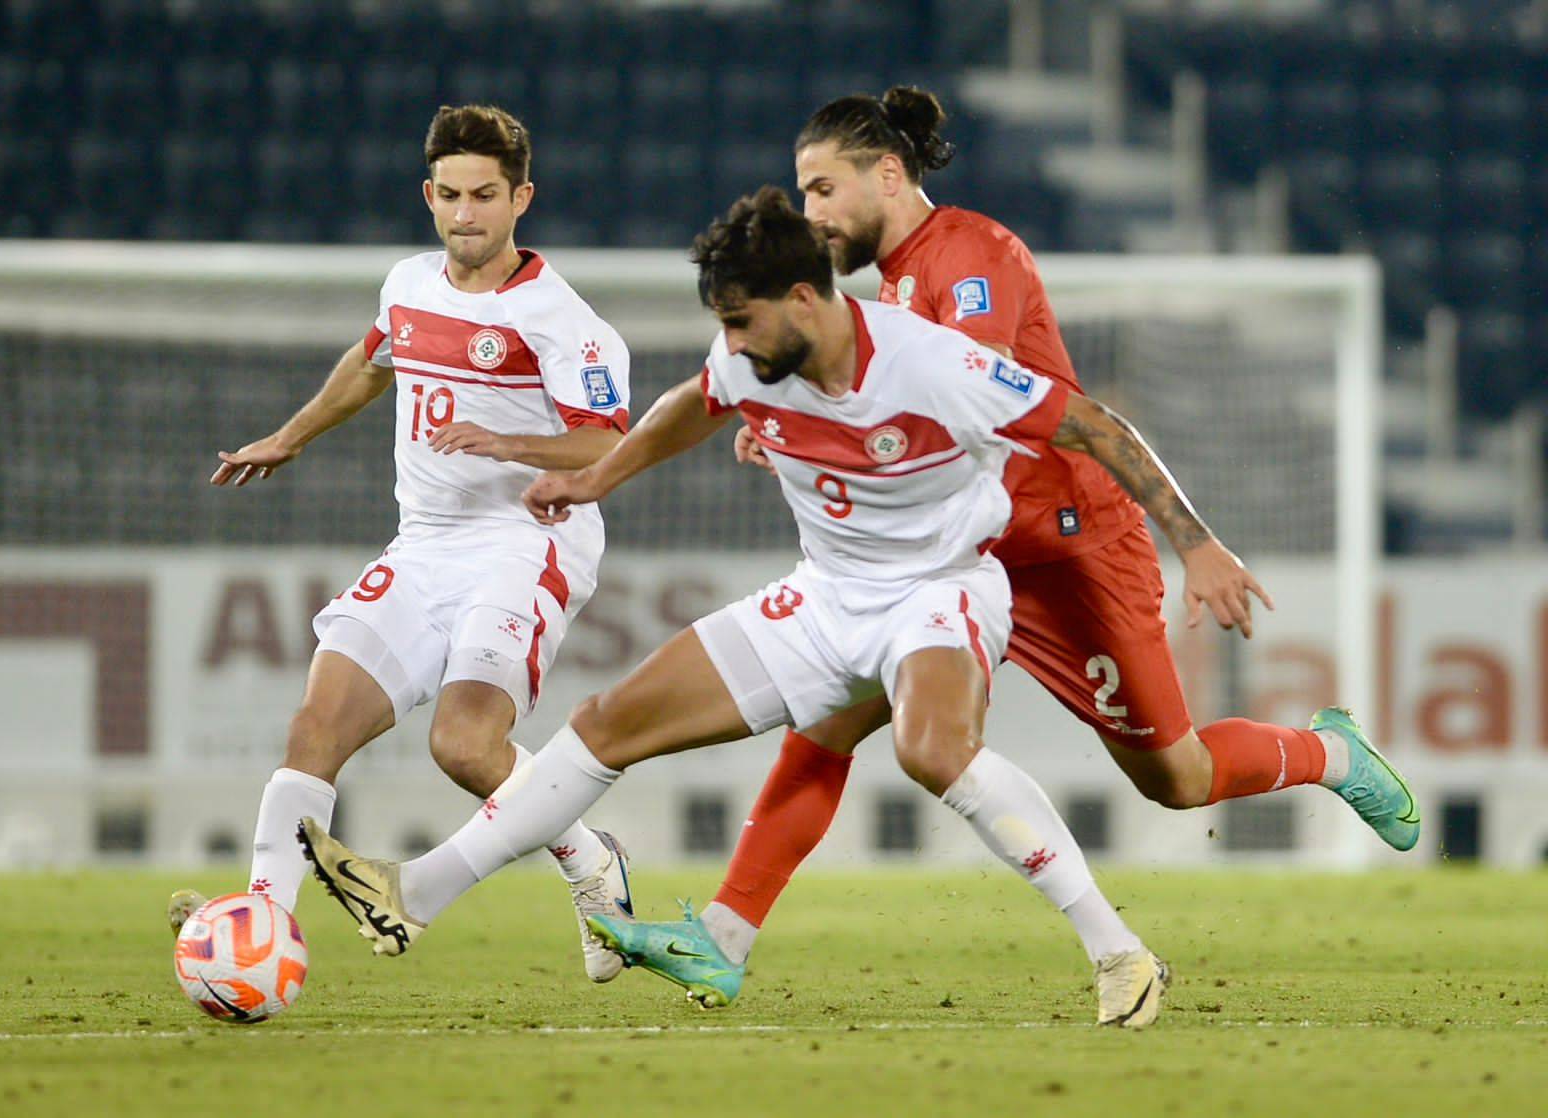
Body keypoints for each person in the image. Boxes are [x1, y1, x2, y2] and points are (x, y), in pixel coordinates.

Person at [295, 184, 1287, 1029]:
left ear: (804, 299)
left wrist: (1196, 543)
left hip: (936, 593)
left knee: (931, 750)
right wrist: (598, 476)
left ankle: (1120, 953)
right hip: (820, 602)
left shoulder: (932, 363)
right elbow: (691, 401)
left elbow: (1097, 425)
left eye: (740, 320)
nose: (728, 343)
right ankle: (413, 893)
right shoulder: (749, 358)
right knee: (606, 724)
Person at [604, 87, 1421, 1006]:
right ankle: (724, 935)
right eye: (803, 195)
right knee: (828, 723)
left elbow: (972, 410)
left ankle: (1330, 755)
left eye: (823, 190)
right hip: (957, 566)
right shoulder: (886, 286)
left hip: (1068, 551)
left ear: (888, 173)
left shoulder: (971, 259)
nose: (812, 216)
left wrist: (1196, 544)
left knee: (1176, 777)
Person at [167, 104, 637, 983]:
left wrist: (507, 442)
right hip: (424, 544)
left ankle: (588, 860)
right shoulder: (408, 284)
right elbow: (369, 364)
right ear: (429, 196)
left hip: (525, 540)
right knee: (315, 725)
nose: (467, 214)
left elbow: (612, 443)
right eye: (451, 195)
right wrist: (290, 435)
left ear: (521, 198)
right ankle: (263, 933)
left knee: (464, 747)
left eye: (486, 196)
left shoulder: (561, 321)